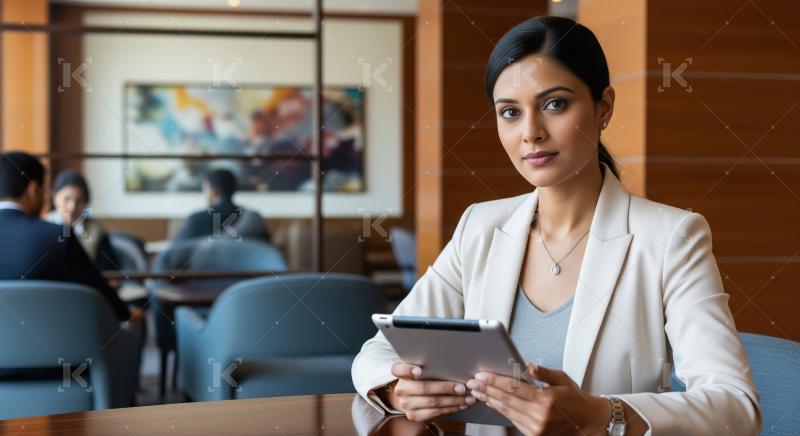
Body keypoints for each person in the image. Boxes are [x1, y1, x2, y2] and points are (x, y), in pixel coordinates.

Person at [351, 16, 761, 435]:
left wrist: (601, 415)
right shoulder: (480, 226)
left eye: (555, 104)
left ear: (604, 107)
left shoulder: (671, 237)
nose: (531, 133)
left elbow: (736, 406)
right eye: (510, 112)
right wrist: (396, 391)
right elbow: (378, 351)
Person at [0, 152, 131, 321]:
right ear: (33, 190)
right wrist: (127, 314)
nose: (72, 206)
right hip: (55, 342)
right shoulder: (57, 237)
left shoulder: (85, 232)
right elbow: (104, 300)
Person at [45, 170, 119, 271]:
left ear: (85, 202)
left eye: (78, 201)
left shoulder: (97, 229)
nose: (72, 207)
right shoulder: (44, 224)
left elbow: (108, 269)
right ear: (55, 197)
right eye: (67, 199)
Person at [175, 168, 270, 242]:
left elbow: (176, 252)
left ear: (212, 191)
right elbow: (266, 248)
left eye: (205, 189)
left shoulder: (196, 220)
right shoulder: (253, 218)